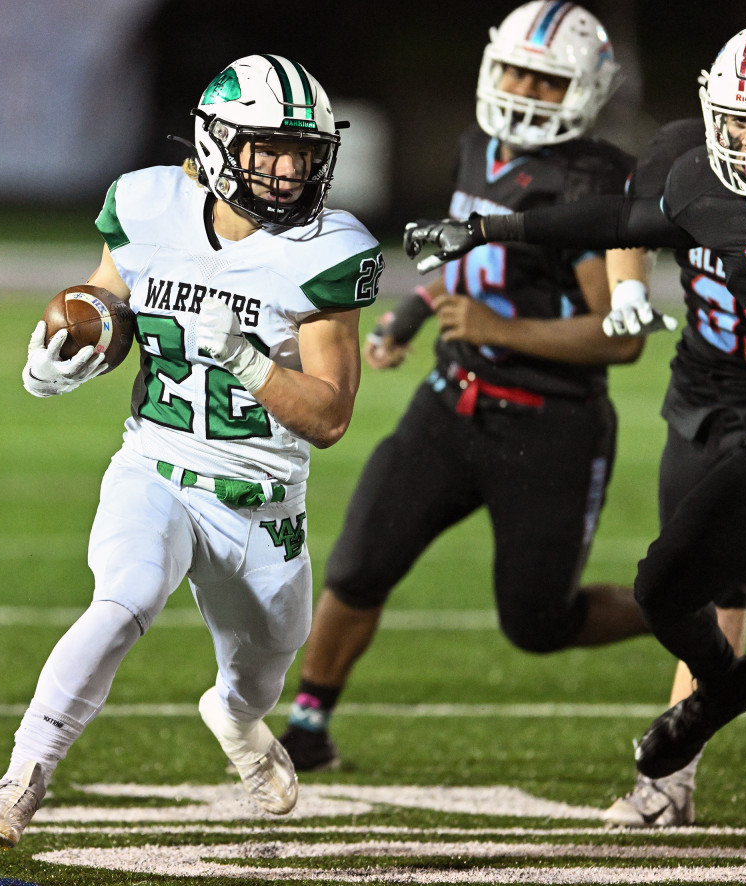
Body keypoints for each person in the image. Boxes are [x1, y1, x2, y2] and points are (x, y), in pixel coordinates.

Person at [0, 53, 383, 848]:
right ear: (220, 144)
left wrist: (248, 359)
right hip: (154, 463)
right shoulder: (147, 202)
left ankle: (232, 718)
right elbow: (106, 305)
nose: (291, 170)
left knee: (262, 671)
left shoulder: (330, 248)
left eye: (305, 153)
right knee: (123, 598)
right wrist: (56, 359)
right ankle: (24, 774)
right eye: (270, 149)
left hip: (260, 497)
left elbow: (329, 416)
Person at [403, 17, 746, 786]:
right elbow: (618, 220)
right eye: (737, 124)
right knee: (664, 586)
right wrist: (487, 228)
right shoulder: (702, 179)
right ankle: (721, 691)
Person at [278, 0, 647, 774]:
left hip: (551, 425)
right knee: (357, 563)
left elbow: (623, 334)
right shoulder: (478, 145)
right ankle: (308, 728)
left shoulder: (593, 178)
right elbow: (461, 259)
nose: (521, 89)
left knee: (539, 622)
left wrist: (496, 329)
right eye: (513, 70)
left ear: (583, 89)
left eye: (545, 81)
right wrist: (410, 319)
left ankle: (682, 599)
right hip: (453, 403)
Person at [598, 121, 746, 828]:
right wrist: (625, 292)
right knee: (689, 572)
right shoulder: (683, 160)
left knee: (723, 580)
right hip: (713, 385)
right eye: (741, 119)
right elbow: (622, 226)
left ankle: (670, 783)